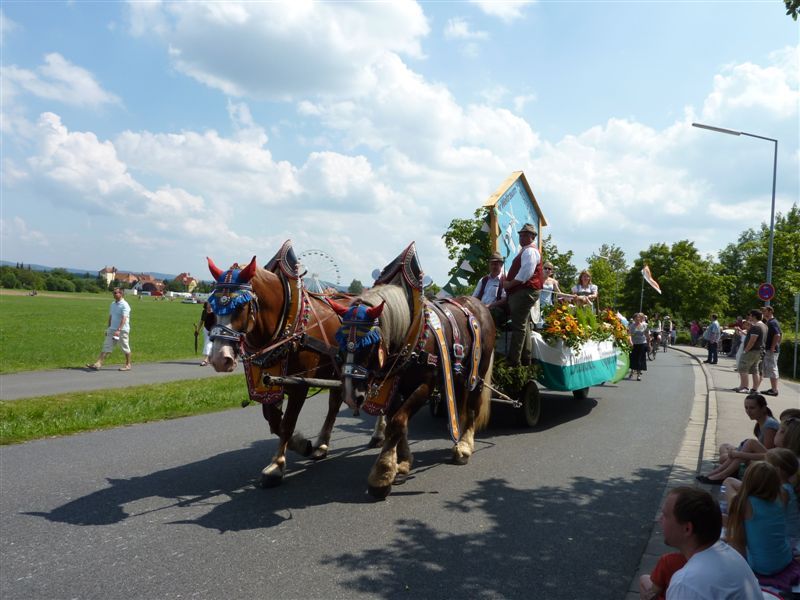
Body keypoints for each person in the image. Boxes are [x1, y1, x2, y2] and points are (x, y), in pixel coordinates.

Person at [658, 486, 760, 599]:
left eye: (665, 515)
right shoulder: (729, 553)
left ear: (687, 529)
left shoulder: (685, 584)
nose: (659, 519)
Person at [726, 462, 793, 578]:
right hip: (785, 559)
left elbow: (729, 481)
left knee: (734, 534)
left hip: (761, 567)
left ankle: (739, 571)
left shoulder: (745, 503)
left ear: (748, 481)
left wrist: (747, 487)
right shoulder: (782, 496)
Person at [696, 394, 778, 484]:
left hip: (770, 464)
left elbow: (768, 455)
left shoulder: (769, 425)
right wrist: (739, 453)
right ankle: (716, 473)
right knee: (725, 446)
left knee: (738, 451)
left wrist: (740, 454)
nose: (748, 411)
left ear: (763, 408)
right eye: (746, 408)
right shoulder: (761, 422)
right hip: (756, 457)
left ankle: (722, 475)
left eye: (752, 408)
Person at [502, 223, 542, 367]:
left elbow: (526, 273)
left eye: (525, 235)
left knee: (518, 326)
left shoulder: (530, 251)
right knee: (523, 325)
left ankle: (514, 361)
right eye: (520, 234)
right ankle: (525, 359)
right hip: (523, 290)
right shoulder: (526, 250)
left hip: (524, 291)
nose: (521, 237)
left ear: (532, 237)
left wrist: (509, 284)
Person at [87, 287, 132, 371]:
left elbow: (124, 318)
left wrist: (119, 330)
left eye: (115, 293)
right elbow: (111, 316)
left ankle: (128, 365)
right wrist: (108, 328)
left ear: (121, 294)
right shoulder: (113, 304)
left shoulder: (125, 305)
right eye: (113, 293)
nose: (114, 294)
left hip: (122, 330)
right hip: (112, 329)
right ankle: (98, 364)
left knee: (125, 347)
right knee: (106, 346)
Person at [734, 309, 767, 394]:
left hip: (751, 351)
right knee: (754, 369)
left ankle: (744, 387)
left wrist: (745, 350)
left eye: (751, 315)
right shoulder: (764, 326)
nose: (749, 317)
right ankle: (754, 389)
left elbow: (752, 340)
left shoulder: (756, 326)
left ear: (754, 316)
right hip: (759, 351)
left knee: (743, 367)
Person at [472, 251, 507, 326]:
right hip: (481, 308)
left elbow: (504, 300)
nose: (494, 266)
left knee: (491, 313)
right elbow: (474, 297)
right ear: (489, 265)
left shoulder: (505, 280)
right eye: (492, 264)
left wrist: (489, 306)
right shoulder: (483, 280)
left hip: (496, 310)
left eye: (496, 264)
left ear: (501, 265)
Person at [760, 305, 782, 396]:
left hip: (771, 350)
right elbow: (780, 334)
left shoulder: (772, 322)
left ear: (770, 311)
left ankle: (774, 390)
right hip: (771, 349)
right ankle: (773, 389)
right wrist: (777, 344)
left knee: (772, 368)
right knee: (771, 368)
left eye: (764, 311)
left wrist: (773, 346)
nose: (763, 313)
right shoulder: (771, 322)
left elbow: (777, 335)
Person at [628, 312, 649, 381]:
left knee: (640, 359)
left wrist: (649, 343)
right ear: (634, 319)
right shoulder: (631, 326)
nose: (638, 319)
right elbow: (629, 334)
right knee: (633, 358)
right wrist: (630, 341)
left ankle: (639, 374)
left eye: (639, 317)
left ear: (641, 318)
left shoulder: (644, 325)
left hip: (642, 343)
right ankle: (632, 371)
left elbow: (647, 334)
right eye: (636, 318)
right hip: (634, 344)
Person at [198, 301, 216, 366]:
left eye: (211, 304)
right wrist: (197, 330)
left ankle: (205, 360)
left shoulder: (215, 312)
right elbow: (201, 321)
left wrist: (212, 331)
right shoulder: (204, 312)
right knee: (209, 343)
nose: (210, 305)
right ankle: (210, 359)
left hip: (214, 330)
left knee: (208, 343)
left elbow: (217, 322)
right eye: (209, 304)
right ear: (206, 305)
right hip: (206, 329)